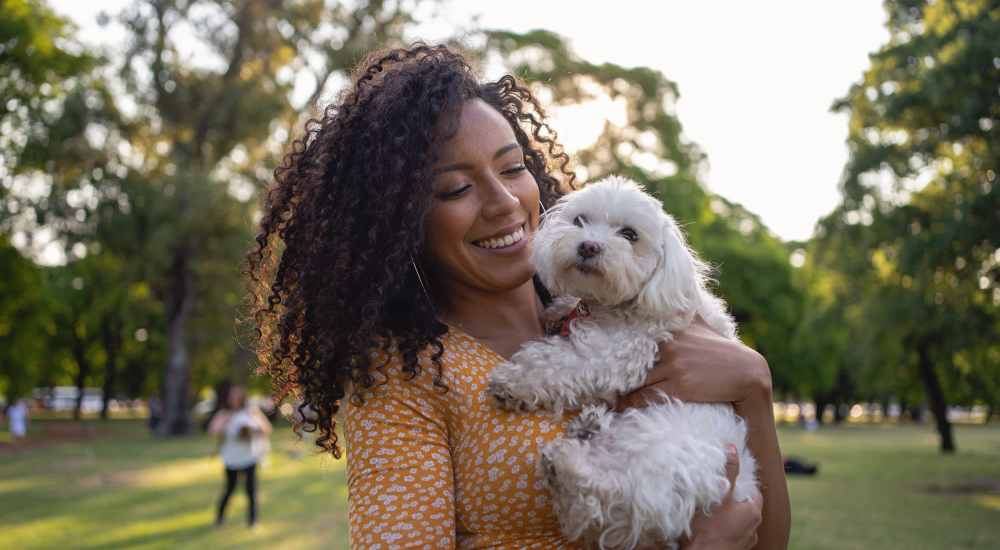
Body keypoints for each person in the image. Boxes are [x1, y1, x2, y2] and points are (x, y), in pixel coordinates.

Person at [247, 44, 789, 549]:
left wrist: (754, 388)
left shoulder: (618, 315)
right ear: (398, 226)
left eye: (513, 168)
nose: (505, 201)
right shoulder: (403, 382)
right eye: (456, 188)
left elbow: (767, 537)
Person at [207, 385, 272, 528]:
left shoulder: (251, 412)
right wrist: (225, 421)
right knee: (229, 490)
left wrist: (253, 427)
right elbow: (212, 431)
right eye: (232, 396)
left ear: (243, 397)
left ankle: (253, 522)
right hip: (231, 458)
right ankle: (219, 520)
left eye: (237, 396)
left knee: (251, 491)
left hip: (249, 457)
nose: (234, 399)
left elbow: (267, 429)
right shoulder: (224, 414)